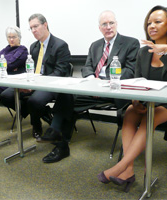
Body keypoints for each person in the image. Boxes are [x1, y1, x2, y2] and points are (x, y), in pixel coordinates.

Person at [97, 5, 167, 193]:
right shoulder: (143, 52)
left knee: (151, 116)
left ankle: (122, 165)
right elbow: (138, 81)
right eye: (149, 23)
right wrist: (136, 100)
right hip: (149, 100)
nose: (151, 26)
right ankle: (128, 170)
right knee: (129, 111)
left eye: (157, 22)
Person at [37, 10, 140, 163]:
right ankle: (59, 140)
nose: (108, 27)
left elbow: (130, 71)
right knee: (67, 94)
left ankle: (57, 135)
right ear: (99, 28)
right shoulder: (95, 45)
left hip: (114, 91)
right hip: (93, 88)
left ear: (116, 24)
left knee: (68, 104)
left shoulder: (130, 43)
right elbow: (87, 68)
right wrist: (93, 81)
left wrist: (103, 83)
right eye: (104, 24)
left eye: (111, 23)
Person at [0, 13, 71, 138]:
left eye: (35, 26)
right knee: (5, 96)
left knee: (34, 101)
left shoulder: (60, 45)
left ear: (45, 25)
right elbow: (31, 68)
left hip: (51, 84)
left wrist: (36, 86)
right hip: (33, 81)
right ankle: (43, 112)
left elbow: (60, 72)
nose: (33, 30)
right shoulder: (34, 46)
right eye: (31, 28)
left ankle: (36, 124)